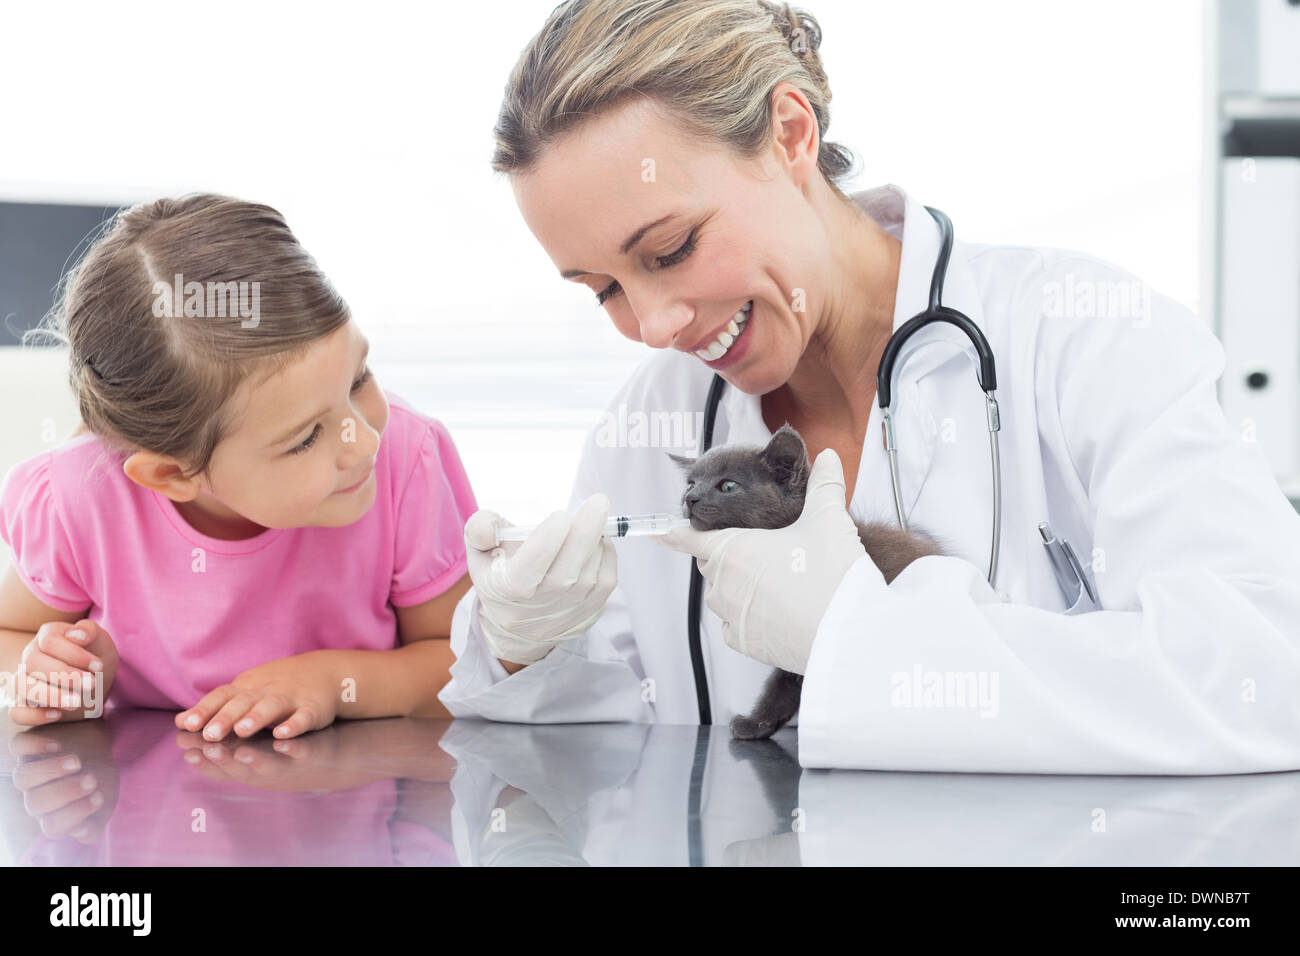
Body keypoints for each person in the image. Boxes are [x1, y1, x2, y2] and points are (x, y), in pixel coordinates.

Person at [441, 0, 1300, 773]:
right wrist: (527, 650)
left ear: (789, 134)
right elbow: (598, 768)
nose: (657, 322)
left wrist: (871, 643)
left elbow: (1266, 674)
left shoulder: (1085, 335)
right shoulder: (651, 419)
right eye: (605, 290)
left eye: (670, 250)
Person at [0, 195, 476, 742]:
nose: (363, 441)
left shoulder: (404, 459)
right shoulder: (80, 499)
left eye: (357, 379)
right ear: (174, 476)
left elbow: (464, 661)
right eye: (304, 440)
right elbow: (10, 634)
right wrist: (53, 678)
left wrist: (334, 681)